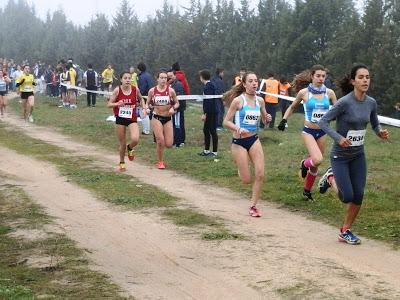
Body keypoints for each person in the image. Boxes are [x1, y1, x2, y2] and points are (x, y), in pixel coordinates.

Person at [318, 63, 389, 245]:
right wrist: (338, 137)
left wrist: (380, 132)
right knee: (347, 196)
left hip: (358, 155)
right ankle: (330, 177)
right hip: (340, 156)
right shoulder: (344, 103)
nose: (365, 80)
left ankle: (345, 230)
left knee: (358, 195)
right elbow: (324, 122)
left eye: (367, 77)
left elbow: (374, 123)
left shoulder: (371, 103)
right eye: (361, 77)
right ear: (353, 81)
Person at [278, 65, 337, 201]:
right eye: (318, 76)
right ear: (312, 76)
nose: (321, 78)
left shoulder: (330, 93)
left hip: (322, 131)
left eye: (323, 76)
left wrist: (336, 115)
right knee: (317, 159)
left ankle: (307, 191)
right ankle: (305, 163)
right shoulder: (304, 93)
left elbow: (338, 108)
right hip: (308, 131)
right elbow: (292, 107)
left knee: (316, 165)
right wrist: (284, 120)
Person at [223, 72, 272, 217]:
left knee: (260, 174)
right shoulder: (238, 101)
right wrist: (238, 128)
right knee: (246, 179)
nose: (254, 83)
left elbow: (264, 119)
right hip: (239, 142)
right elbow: (225, 122)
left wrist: (267, 118)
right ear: (244, 84)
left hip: (253, 139)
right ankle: (241, 164)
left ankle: (253, 206)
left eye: (256, 81)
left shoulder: (260, 101)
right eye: (250, 81)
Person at [107, 71, 145, 172]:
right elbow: (109, 104)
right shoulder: (117, 90)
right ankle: (122, 162)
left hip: (132, 118)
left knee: (135, 139)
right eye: (125, 78)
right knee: (122, 143)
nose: (128, 80)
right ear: (121, 80)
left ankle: (130, 147)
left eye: (129, 78)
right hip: (120, 118)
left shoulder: (135, 89)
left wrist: (144, 108)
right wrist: (117, 104)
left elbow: (141, 99)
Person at [144, 70, 179, 169]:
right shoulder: (152, 91)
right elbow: (147, 102)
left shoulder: (171, 91)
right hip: (157, 117)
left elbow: (177, 103)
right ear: (157, 79)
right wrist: (147, 108)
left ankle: (161, 157)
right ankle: (160, 162)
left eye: (165, 78)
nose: (164, 80)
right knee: (160, 141)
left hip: (168, 118)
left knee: (169, 144)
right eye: (162, 78)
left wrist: (173, 108)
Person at [198, 69, 218, 157]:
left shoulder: (208, 86)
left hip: (211, 111)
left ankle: (214, 152)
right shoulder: (210, 85)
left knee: (212, 130)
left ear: (202, 77)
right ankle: (206, 150)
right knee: (206, 130)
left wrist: (205, 113)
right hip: (211, 111)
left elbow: (209, 101)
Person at [167, 69, 186, 147]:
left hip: (178, 109)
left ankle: (178, 142)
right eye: (168, 77)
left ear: (175, 76)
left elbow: (179, 99)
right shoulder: (170, 85)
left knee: (177, 124)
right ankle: (179, 141)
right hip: (173, 109)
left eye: (171, 76)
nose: (169, 78)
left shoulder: (178, 85)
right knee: (175, 124)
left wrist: (176, 109)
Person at [137, 62, 153, 135]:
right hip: (150, 95)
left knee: (143, 113)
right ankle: (146, 129)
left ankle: (146, 130)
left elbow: (142, 88)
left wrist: (139, 97)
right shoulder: (149, 75)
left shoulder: (142, 77)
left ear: (139, 69)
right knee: (146, 112)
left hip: (144, 97)